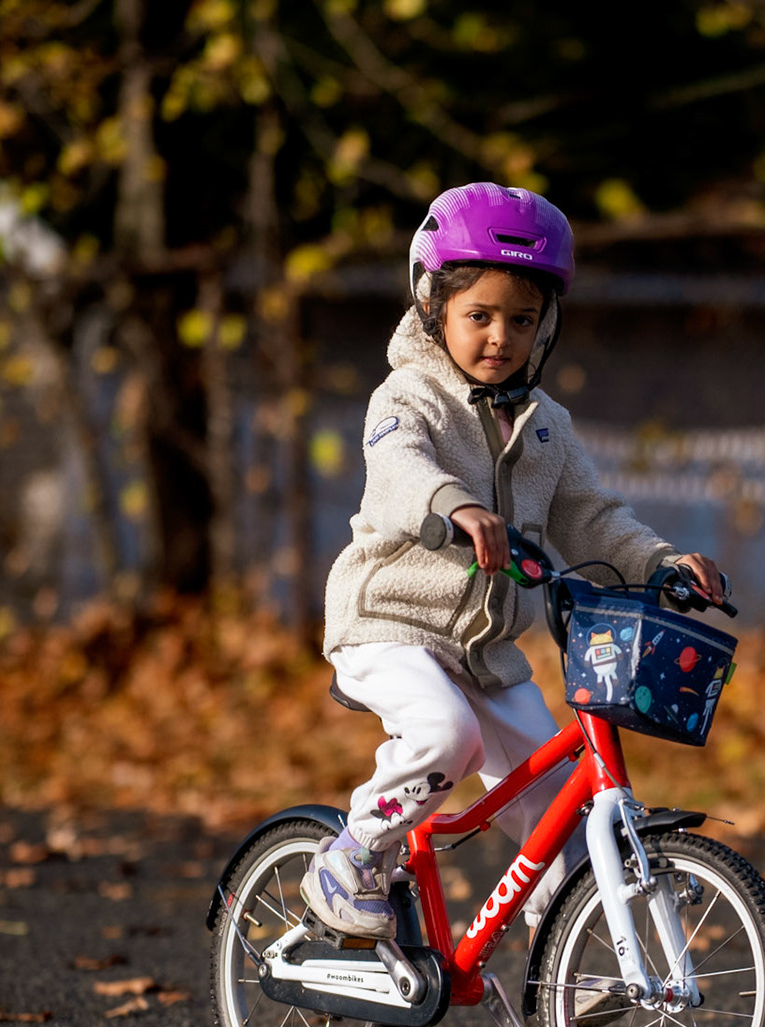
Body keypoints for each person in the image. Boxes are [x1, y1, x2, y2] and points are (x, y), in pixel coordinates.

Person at [301, 182, 725, 940]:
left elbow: (590, 516)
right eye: (479, 316)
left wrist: (660, 561)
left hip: (486, 654)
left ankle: (560, 959)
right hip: (389, 624)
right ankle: (351, 858)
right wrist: (453, 507)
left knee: (557, 802)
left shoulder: (545, 427)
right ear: (433, 308)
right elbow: (396, 464)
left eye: (522, 320)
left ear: (546, 325)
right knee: (444, 737)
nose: (500, 337)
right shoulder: (409, 396)